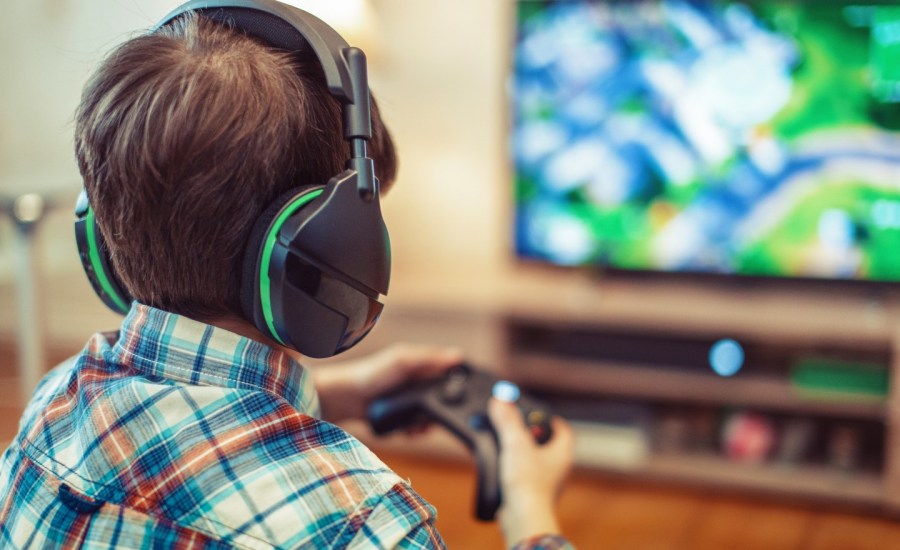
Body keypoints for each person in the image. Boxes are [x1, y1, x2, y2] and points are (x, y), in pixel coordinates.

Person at [0, 8, 574, 550]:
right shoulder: (366, 524)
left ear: (102, 231)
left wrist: (331, 396)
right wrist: (530, 512)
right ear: (335, 247)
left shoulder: (49, 411)